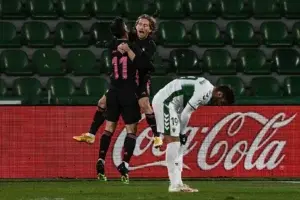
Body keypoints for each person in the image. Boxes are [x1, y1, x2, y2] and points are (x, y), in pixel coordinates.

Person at [73, 14, 163, 148]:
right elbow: (115, 43)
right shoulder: (130, 37)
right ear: (136, 26)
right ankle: (91, 134)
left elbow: (143, 64)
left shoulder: (150, 45)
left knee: (144, 104)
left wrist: (128, 50)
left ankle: (157, 136)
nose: (142, 27)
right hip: (125, 80)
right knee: (102, 102)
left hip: (141, 79)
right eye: (140, 24)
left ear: (150, 30)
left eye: (146, 25)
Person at [151, 76, 235, 192]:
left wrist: (179, 134)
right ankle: (174, 185)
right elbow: (186, 113)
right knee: (175, 142)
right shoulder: (206, 93)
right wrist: (182, 133)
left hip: (171, 104)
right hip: (166, 102)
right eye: (222, 102)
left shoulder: (206, 88)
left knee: (178, 143)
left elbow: (183, 107)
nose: (219, 105)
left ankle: (178, 183)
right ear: (219, 94)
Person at [94, 17, 141, 184]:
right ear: (124, 28)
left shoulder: (111, 46)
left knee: (109, 128)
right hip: (129, 92)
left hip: (113, 91)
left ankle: (101, 159)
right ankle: (125, 164)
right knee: (131, 131)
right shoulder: (132, 46)